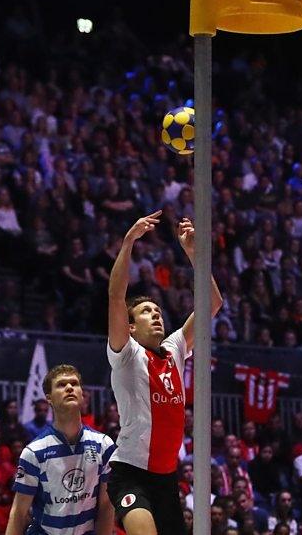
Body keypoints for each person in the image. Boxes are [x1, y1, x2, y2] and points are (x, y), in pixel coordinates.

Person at [105, 211, 223, 535]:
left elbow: (212, 302)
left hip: (166, 477)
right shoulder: (126, 352)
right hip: (130, 473)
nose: (156, 315)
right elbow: (116, 296)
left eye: (157, 311)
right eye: (146, 312)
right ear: (131, 326)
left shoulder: (174, 348)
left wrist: (194, 253)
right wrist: (129, 241)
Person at [8, 364, 116, 535]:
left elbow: (106, 506)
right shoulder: (34, 452)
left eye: (74, 384)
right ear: (49, 398)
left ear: (82, 395)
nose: (69, 388)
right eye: (61, 384)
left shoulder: (104, 445)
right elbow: (19, 513)